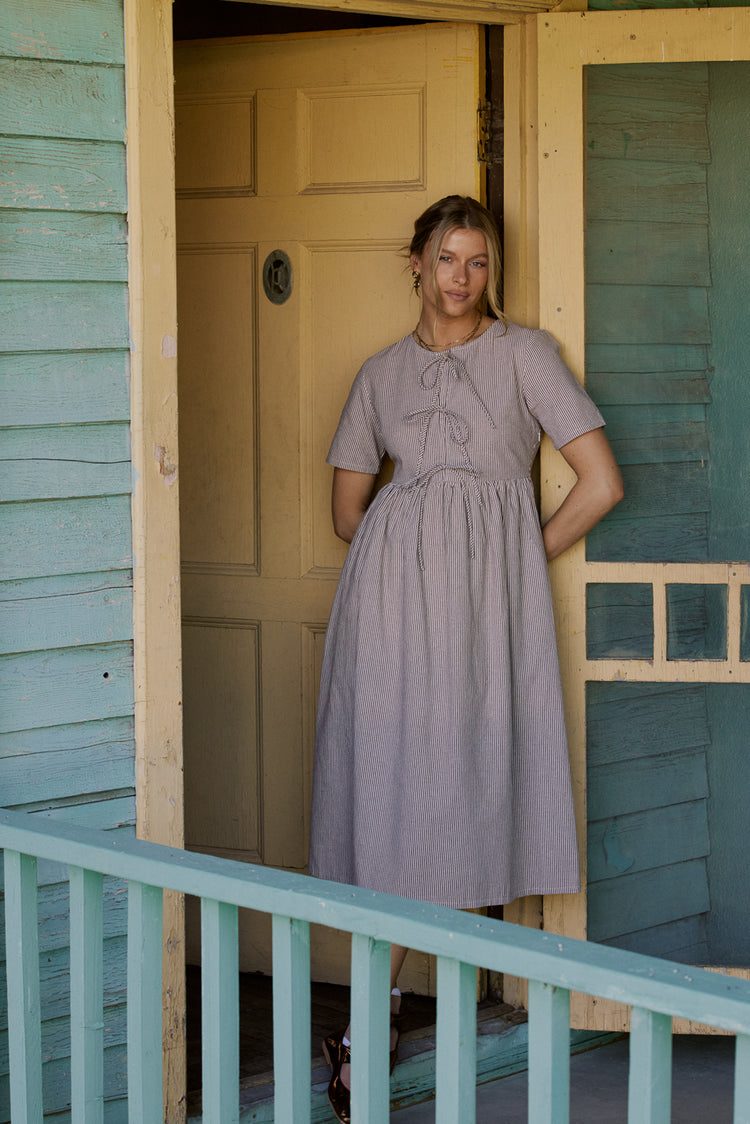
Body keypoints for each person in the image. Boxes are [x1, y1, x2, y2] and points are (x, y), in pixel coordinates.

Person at [308, 195, 623, 1122]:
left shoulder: (525, 357)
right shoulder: (377, 375)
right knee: (390, 800)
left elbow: (600, 482)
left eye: (478, 261)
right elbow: (345, 513)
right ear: (414, 262)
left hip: (486, 617)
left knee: (454, 798)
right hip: (387, 618)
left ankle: (377, 1024)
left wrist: (515, 551)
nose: (462, 277)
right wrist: (409, 562)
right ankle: (375, 1025)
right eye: (446, 258)